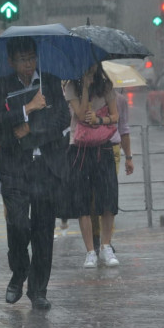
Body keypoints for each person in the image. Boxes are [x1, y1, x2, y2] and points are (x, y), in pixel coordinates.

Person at [0, 36, 70, 311]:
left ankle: (38, 290)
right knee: (18, 224)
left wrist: (32, 130)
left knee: (43, 232)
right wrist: (28, 108)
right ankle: (19, 272)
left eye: (31, 58)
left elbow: (62, 120)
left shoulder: (50, 81)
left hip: (46, 168)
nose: (28, 64)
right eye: (22, 59)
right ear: (11, 62)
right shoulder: (3, 85)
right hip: (14, 168)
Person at [64, 63, 120, 269]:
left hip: (103, 148)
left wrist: (99, 119)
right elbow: (79, 115)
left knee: (108, 198)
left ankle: (106, 246)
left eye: (93, 63)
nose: (90, 67)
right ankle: (90, 251)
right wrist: (85, 87)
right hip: (79, 150)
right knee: (82, 201)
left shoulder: (106, 86)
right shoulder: (71, 87)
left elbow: (115, 117)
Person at [89, 89, 135, 253]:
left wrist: (128, 157)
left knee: (108, 195)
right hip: (88, 149)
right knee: (91, 198)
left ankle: (106, 242)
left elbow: (124, 129)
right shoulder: (87, 97)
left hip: (112, 150)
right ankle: (94, 238)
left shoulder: (120, 100)